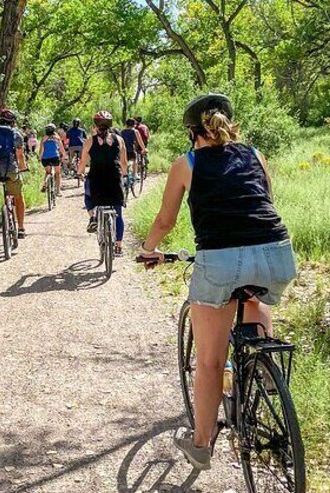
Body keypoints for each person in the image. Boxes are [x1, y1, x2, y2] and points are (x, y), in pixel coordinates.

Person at [137, 94, 296, 471]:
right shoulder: (254, 153)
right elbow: (264, 201)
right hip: (276, 251)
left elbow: (165, 222)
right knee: (255, 299)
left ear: (193, 133)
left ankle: (201, 445)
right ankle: (264, 367)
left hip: (220, 260)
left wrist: (149, 249)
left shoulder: (186, 163)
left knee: (209, 363)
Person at [76, 110, 128, 256]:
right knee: (118, 213)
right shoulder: (119, 139)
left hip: (96, 179)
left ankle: (92, 217)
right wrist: (124, 174)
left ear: (96, 124)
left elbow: (83, 162)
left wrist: (79, 173)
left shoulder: (90, 141)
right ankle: (118, 246)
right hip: (114, 179)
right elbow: (123, 162)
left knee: (88, 196)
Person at [0, 108, 29, 238]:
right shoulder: (16, 134)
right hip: (10, 170)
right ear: (13, 122)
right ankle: (20, 228)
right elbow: (20, 155)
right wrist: (23, 167)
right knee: (18, 196)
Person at [39, 123, 66, 193]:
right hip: (55, 157)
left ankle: (44, 184)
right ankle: (58, 190)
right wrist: (64, 156)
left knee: (47, 172)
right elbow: (61, 148)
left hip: (45, 158)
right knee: (57, 173)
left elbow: (41, 150)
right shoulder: (56, 137)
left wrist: (40, 158)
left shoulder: (44, 138)